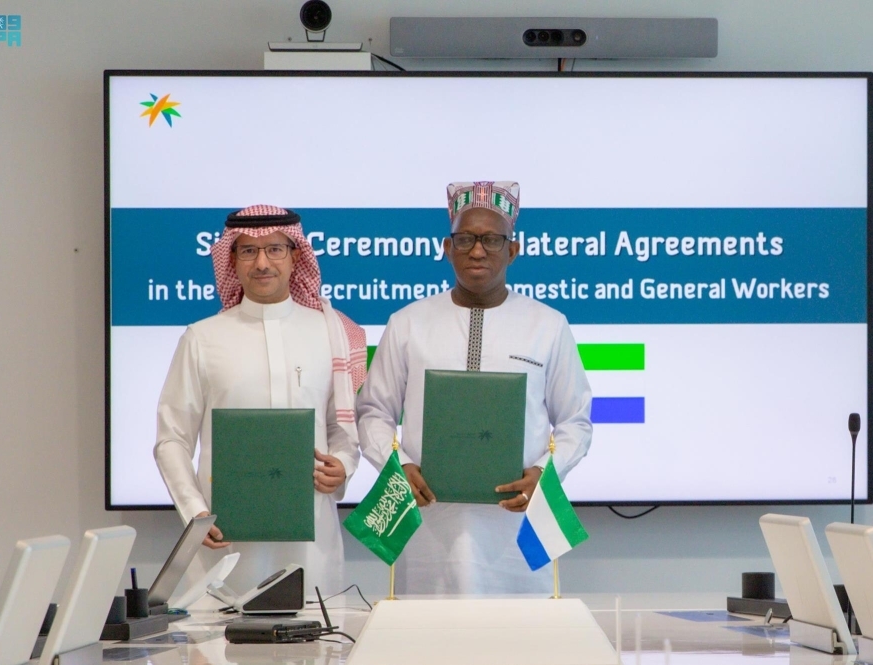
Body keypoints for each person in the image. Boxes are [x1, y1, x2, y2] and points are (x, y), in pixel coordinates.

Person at [356, 181, 593, 594]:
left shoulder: (548, 325)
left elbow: (576, 420)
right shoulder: (408, 323)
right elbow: (374, 411)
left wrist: (544, 474)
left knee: (520, 632)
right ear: (448, 248)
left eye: (491, 240)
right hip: (428, 520)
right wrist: (397, 467)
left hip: (517, 524)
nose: (477, 251)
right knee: (426, 630)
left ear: (512, 251)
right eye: (465, 239)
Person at [154, 204, 366, 596]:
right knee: (221, 633)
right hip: (226, 538)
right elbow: (172, 439)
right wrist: (194, 511)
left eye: (275, 249)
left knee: (314, 631)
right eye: (249, 251)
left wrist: (343, 465)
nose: (262, 263)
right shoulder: (202, 338)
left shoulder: (333, 333)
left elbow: (343, 429)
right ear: (232, 260)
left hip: (311, 538)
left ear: (296, 255)